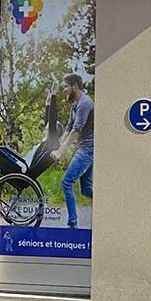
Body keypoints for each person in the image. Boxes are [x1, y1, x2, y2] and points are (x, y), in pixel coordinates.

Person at [59, 72, 94, 228]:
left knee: (66, 182)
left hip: (88, 149)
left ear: (75, 86)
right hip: (85, 149)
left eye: (66, 86)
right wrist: (57, 145)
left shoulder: (85, 103)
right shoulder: (75, 105)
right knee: (86, 191)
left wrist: (61, 151)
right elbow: (68, 128)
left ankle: (72, 224)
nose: (64, 90)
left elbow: (76, 131)